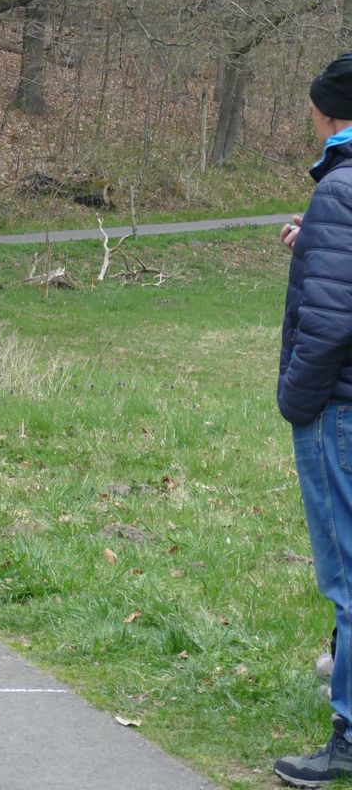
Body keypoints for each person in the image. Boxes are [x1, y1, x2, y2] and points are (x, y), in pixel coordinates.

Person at [276, 52, 352, 787]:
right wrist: (318, 241)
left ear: (328, 112)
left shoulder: (340, 189)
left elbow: (329, 324)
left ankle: (348, 736)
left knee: (348, 578)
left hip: (340, 410)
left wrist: (297, 399)